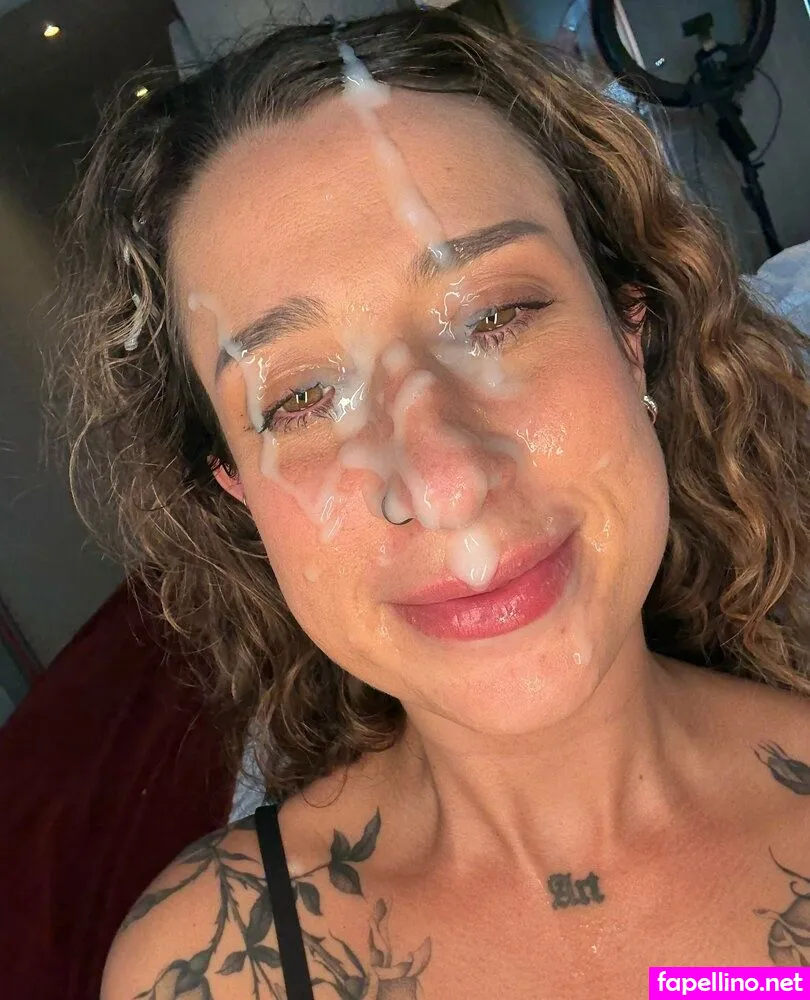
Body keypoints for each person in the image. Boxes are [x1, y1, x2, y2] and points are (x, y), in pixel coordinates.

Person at [55, 9, 810, 999]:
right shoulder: (211, 971)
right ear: (236, 489)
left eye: (496, 317)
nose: (445, 482)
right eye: (301, 397)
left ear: (631, 331)